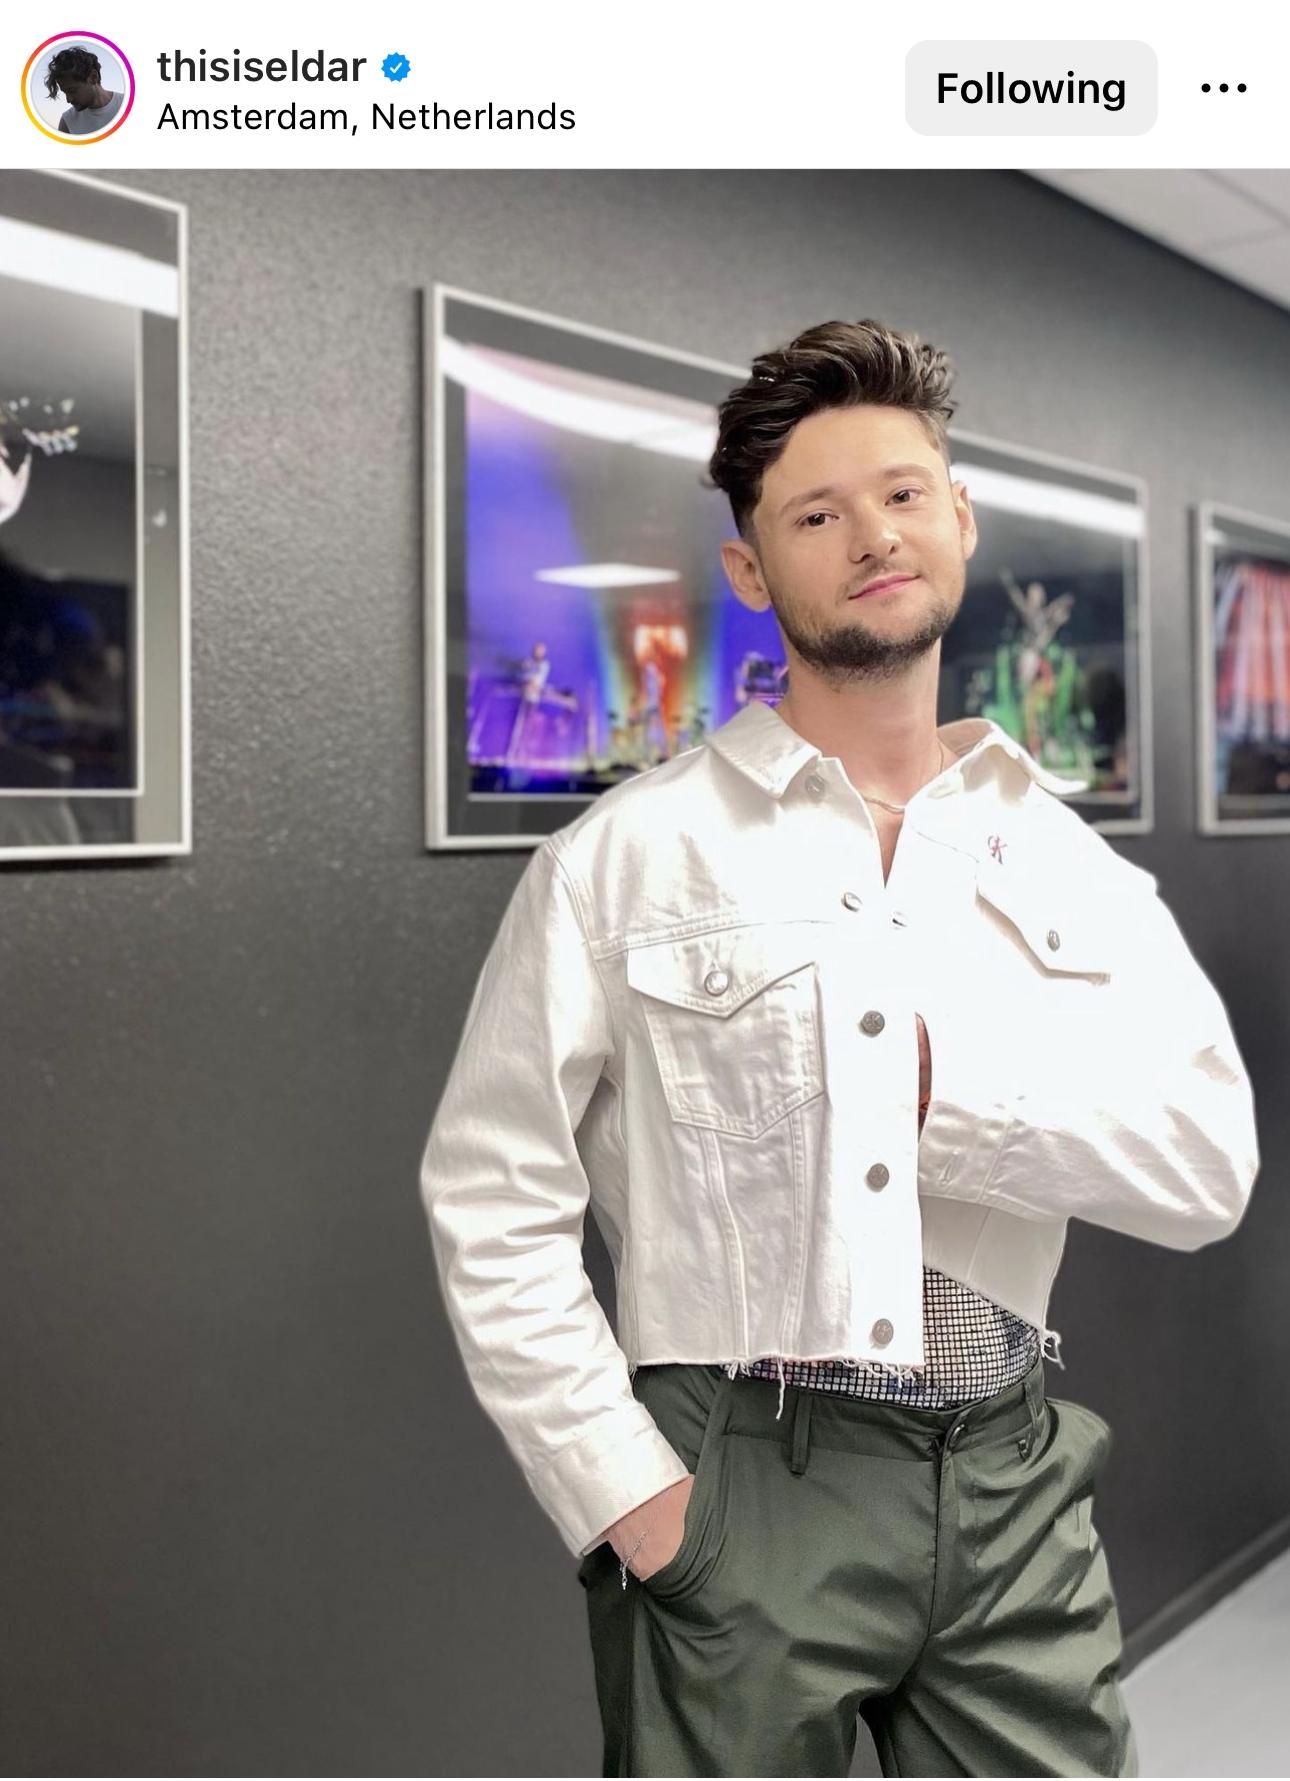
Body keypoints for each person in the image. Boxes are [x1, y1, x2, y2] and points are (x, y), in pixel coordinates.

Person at [418, 319, 1260, 1777]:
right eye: (814, 514)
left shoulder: (1069, 867)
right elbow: (492, 1199)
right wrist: (627, 1495)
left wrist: (945, 1101)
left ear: (958, 518)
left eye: (901, 492)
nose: (871, 535)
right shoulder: (622, 860)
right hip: (740, 1477)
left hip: (1009, 1477)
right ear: (750, 570)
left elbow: (1206, 1166)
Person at [45, 47, 125, 137]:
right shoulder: (67, 122)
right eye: (65, 92)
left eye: (72, 90)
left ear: (93, 78)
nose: (68, 99)